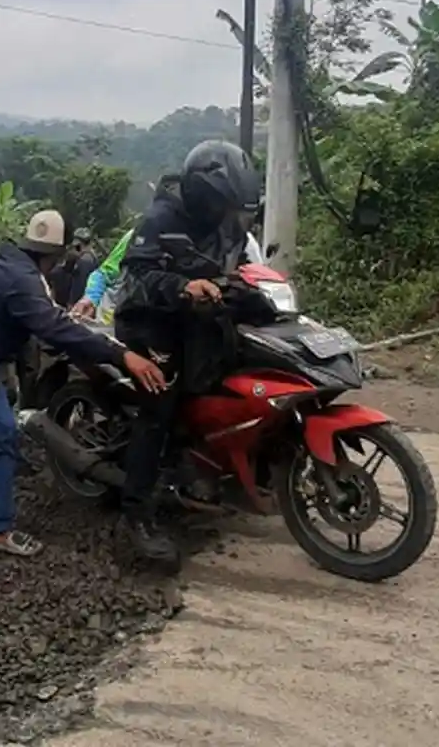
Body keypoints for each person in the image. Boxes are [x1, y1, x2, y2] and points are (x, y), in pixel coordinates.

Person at [0, 210, 167, 557]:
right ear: (55, 256)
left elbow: (51, 319)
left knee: (3, 434)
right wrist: (123, 356)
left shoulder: (14, 270)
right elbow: (54, 327)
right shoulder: (21, 279)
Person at [114, 139, 262, 564]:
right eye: (222, 205)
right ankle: (136, 515)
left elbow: (240, 265)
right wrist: (182, 287)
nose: (228, 215)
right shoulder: (160, 219)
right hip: (150, 322)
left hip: (198, 319)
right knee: (160, 405)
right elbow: (137, 277)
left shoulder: (229, 226)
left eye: (233, 208)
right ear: (202, 196)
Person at [71, 229, 263, 324]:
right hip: (119, 324)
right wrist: (90, 298)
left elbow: (258, 276)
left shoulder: (243, 241)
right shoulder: (143, 235)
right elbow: (103, 274)